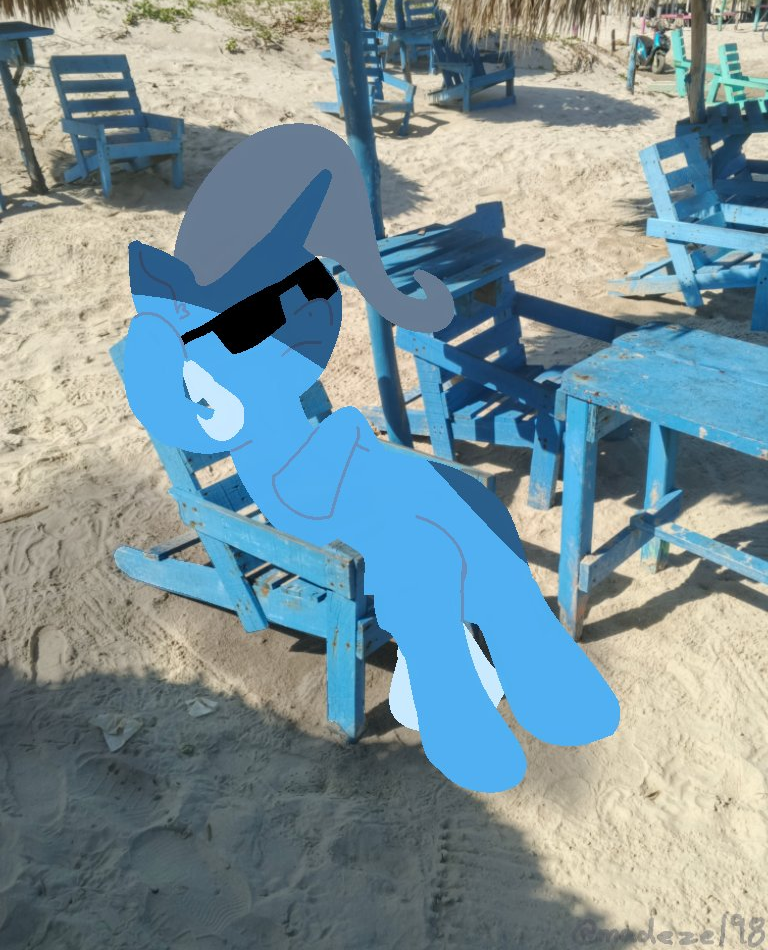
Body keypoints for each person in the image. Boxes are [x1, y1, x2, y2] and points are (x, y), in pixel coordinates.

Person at [122, 123, 619, 792]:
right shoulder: (182, 331)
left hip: (337, 452)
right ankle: (449, 701)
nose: (308, 314)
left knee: (474, 506)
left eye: (311, 287)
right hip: (293, 491)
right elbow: (173, 400)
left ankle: (537, 669)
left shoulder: (251, 326)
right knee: (423, 548)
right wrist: (206, 392)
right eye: (269, 311)